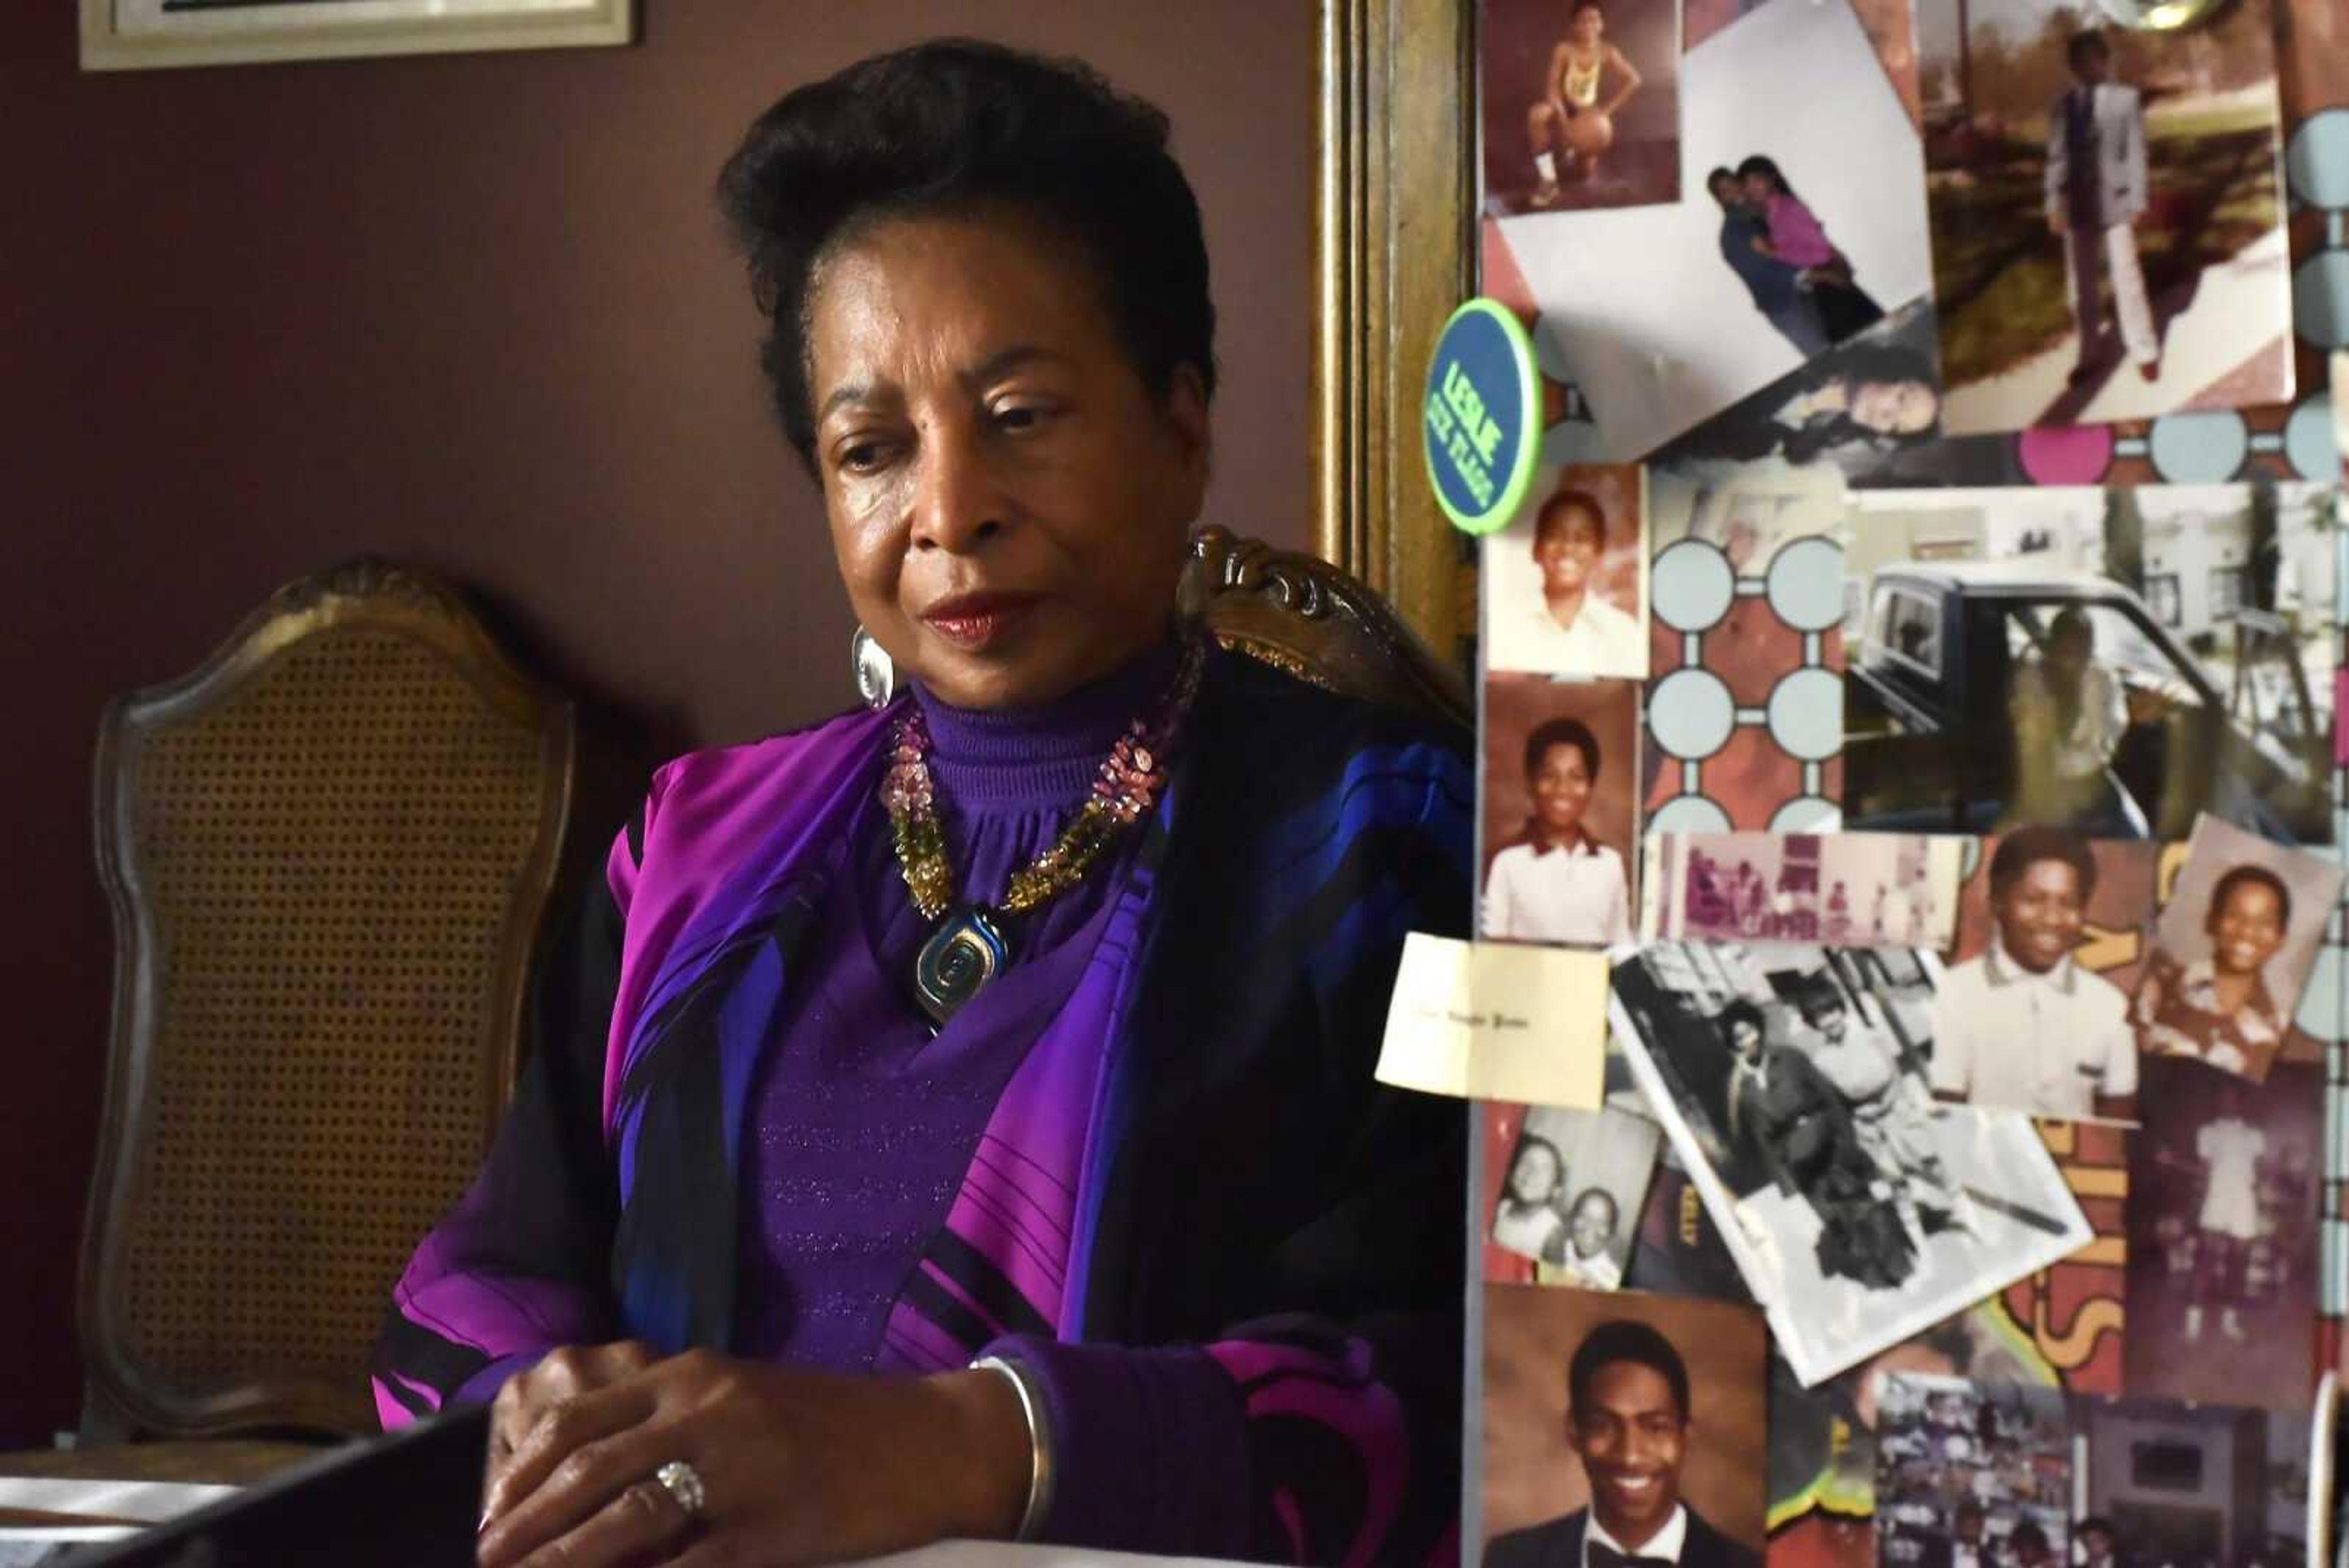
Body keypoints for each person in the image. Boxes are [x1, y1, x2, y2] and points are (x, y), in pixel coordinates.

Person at [373, 42, 1471, 1568]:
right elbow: (467, 1293)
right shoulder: (692, 852)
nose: (948, 512)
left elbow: (1466, 1400)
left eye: (1019, 414)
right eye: (871, 449)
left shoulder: (1392, 839)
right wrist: (538, 1429)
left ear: (1182, 418)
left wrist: (960, 1449)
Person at [1486, 1320, 1762, 1568]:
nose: (1630, 1456)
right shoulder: (1509, 1559)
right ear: (1574, 1431)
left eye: (1656, 1427)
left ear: (1685, 1436)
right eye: (1603, 1426)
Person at [1931, 828, 2138, 1122]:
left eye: (2068, 903)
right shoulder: (1954, 993)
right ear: (1997, 903)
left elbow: (2117, 1128)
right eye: (2033, 900)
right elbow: (1946, 1113)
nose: (2053, 919)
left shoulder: (2111, 1006)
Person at [1798, 993, 1970, 1250]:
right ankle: (1920, 1245)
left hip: (1897, 1111)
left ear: (1841, 1010)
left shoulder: (1872, 1036)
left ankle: (1965, 1212)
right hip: (1867, 1126)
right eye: (1820, 1018)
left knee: (1931, 1163)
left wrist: (1895, 1104)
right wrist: (1858, 1119)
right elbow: (1836, 1100)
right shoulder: (1821, 1061)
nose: (1828, 1021)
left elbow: (1896, 1075)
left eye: (1831, 1012)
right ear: (1814, 1025)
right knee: (1896, 1183)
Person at [2047, 30, 2158, 385]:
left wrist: (2138, 199)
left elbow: (2137, 155)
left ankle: (2144, 350)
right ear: (2073, 68)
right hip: (2078, 207)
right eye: (2079, 63)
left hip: (2117, 203)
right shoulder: (2065, 106)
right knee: (2080, 287)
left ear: (2104, 61)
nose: (2087, 68)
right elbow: (2057, 158)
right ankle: (2089, 354)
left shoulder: (2126, 100)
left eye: (2093, 60)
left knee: (2127, 278)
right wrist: (2054, 203)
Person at [1483, 716, 1633, 946]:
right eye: (1549, 776)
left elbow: (1622, 947)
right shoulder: (1505, 862)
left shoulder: (1610, 863)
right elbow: (1491, 948)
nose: (1563, 789)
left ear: (1591, 787)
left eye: (1576, 777)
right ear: (1531, 784)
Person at [2135, 864, 2292, 1079]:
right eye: (2234, 915)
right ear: (2212, 921)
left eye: (2265, 923)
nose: (2246, 931)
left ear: (2281, 939)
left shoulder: (2281, 1029)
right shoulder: (2158, 987)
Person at [2006, 606, 2154, 829]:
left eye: (2084, 648)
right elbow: (2030, 743)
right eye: (2068, 649)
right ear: (2054, 648)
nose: (2076, 658)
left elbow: (2113, 730)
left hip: (2094, 784)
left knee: (2137, 832)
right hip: (2046, 790)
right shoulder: (2033, 681)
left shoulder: (2102, 679)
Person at [1497, 486, 1647, 678]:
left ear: (1598, 554)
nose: (1567, 547)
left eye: (1582, 539)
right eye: (1555, 536)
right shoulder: (1506, 625)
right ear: (1536, 549)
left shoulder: (1622, 632)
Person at [1737, 155, 1883, 344]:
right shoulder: (1772, 213)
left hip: (1829, 282)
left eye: (1757, 180)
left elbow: (1820, 251)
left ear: (1771, 178)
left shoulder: (1787, 208)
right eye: (1747, 184)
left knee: (1865, 342)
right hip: (1821, 286)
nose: (1752, 188)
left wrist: (1775, 253)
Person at [1527, 1, 1644, 206]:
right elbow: (1552, 88)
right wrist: (1563, 118)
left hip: (1587, 112)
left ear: (1602, 24)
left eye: (1594, 20)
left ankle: (1573, 154)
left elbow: (1634, 80)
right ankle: (1548, 180)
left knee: (1585, 173)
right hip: (1561, 106)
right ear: (1574, 26)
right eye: (1583, 21)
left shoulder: (1607, 51)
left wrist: (1606, 112)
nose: (1589, 26)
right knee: (1537, 115)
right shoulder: (1564, 49)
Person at [1707, 167, 1828, 358]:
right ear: (1720, 200)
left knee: (1836, 351)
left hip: (1804, 294)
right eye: (1725, 191)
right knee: (1827, 361)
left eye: (1735, 184)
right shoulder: (1734, 234)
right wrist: (1818, 274)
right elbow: (1770, 273)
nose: (1735, 191)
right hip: (1786, 308)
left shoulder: (1758, 215)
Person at [2182, 1082, 2266, 1343]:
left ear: (2241, 1103)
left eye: (2232, 1099)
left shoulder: (2254, 1135)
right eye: (2222, 1098)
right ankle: (2192, 1325)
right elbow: (2203, 1171)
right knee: (2204, 1261)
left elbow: (2259, 1173)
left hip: (2244, 1203)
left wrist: (2256, 1187)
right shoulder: (2207, 1132)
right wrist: (2172, 1162)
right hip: (2217, 1200)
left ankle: (2230, 1323)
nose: (2227, 1103)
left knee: (2238, 1266)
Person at [1497, 1134, 1573, 1263]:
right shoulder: (1502, 1207)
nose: (1532, 1172)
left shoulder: (1551, 1233)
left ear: (1555, 1190)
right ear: (1511, 1174)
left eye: (1544, 1169)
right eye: (1526, 1162)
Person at [1548, 1187, 1626, 1290]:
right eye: (1584, 1216)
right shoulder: (1554, 1247)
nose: (1590, 1227)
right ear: (1573, 1218)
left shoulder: (1612, 1280)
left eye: (1602, 1222)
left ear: (1611, 1232)